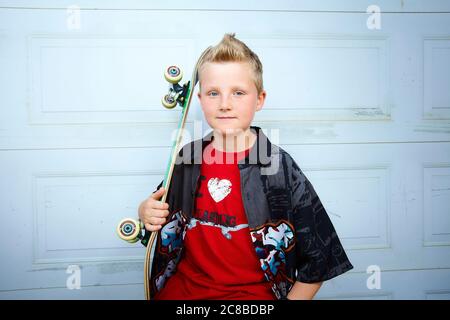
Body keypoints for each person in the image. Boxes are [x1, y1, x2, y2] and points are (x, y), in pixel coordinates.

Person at [138, 33, 353, 300]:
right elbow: (160, 209)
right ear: (199, 99)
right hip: (183, 293)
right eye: (213, 93)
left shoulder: (279, 167)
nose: (225, 104)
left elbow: (320, 257)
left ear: (260, 99)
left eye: (238, 93)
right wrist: (145, 211)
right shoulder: (188, 157)